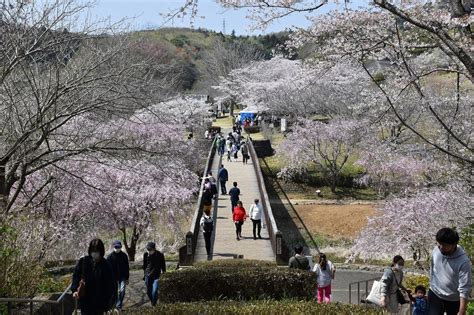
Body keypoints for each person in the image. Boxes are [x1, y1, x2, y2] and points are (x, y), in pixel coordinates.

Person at [428, 227, 471, 315]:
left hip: (453, 299)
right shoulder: (436, 251)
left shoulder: (463, 261)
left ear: (454, 244)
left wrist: (462, 311)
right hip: (435, 293)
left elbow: (465, 287)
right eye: (439, 243)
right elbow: (432, 270)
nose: (441, 247)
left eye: (445, 245)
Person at [71, 238, 114, 315]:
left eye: (96, 250)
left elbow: (110, 285)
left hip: (99, 303)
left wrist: (107, 303)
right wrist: (74, 290)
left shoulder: (106, 265)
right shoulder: (84, 261)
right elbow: (76, 275)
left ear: (101, 251)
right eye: (92, 250)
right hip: (85, 300)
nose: (94, 253)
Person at [106, 240, 130, 311]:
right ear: (113, 247)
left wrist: (127, 278)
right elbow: (107, 269)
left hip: (122, 276)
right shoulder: (110, 257)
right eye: (116, 247)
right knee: (114, 291)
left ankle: (119, 305)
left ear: (121, 247)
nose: (117, 248)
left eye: (118, 247)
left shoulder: (124, 256)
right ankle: (114, 305)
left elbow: (127, 267)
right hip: (113, 277)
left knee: (122, 290)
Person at [143, 242, 166, 306]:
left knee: (154, 291)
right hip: (148, 276)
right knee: (148, 292)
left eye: (150, 250)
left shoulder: (160, 255)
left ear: (154, 249)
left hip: (156, 275)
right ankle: (154, 301)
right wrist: (144, 275)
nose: (149, 251)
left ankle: (154, 305)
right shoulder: (145, 254)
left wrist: (164, 273)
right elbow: (144, 266)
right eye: (148, 249)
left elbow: (163, 265)